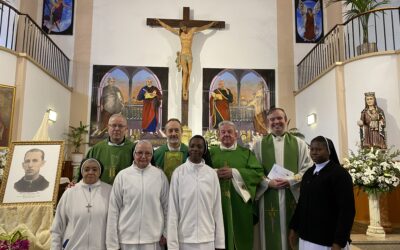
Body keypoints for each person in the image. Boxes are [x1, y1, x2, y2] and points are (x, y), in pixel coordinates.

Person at [252, 107, 313, 250]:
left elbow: (308, 168)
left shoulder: (299, 144)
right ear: (268, 122)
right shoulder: (259, 145)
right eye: (272, 119)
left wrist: (291, 180)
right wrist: (268, 183)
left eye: (279, 118)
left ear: (286, 120)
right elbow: (254, 171)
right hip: (267, 196)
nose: (276, 122)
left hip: (292, 195)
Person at [289, 136, 355, 250]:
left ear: (329, 151)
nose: (314, 152)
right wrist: (294, 228)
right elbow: (301, 203)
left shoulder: (339, 174)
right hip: (306, 238)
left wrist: (339, 242)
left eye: (319, 149)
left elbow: (347, 210)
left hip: (327, 241)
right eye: (312, 149)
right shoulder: (309, 173)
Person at [210, 121, 264, 250]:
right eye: (223, 132)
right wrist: (214, 173)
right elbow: (200, 172)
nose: (226, 135)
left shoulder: (246, 153)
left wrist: (234, 172)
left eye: (230, 132)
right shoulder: (211, 153)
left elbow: (258, 173)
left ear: (236, 135)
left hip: (240, 203)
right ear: (218, 135)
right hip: (216, 203)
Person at [106, 140, 169, 250]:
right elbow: (113, 209)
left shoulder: (159, 176)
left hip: (153, 240)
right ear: (134, 154)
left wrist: (166, 232)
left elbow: (167, 207)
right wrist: (112, 243)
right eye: (140, 153)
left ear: (152, 155)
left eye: (148, 153)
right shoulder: (123, 176)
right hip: (126, 239)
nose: (143, 156)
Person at [168, 135, 225, 250]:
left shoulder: (211, 174)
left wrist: (220, 243)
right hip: (184, 239)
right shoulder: (178, 173)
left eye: (199, 146)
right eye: (192, 146)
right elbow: (173, 211)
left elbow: (217, 209)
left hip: (207, 239)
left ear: (204, 150)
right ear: (188, 148)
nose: (195, 149)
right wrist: (172, 245)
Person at [51, 158, 112, 250]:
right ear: (81, 171)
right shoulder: (70, 192)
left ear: (100, 172)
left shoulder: (109, 191)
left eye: (95, 169)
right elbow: (57, 225)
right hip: (73, 246)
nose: (90, 172)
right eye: (86, 169)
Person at [156, 19, 216, 101]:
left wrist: (211, 24)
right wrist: (160, 22)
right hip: (183, 55)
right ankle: (184, 90)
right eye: (182, 28)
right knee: (185, 72)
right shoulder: (179, 33)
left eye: (184, 27)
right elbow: (168, 27)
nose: (183, 29)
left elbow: (203, 27)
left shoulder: (193, 31)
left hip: (190, 55)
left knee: (190, 73)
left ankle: (187, 89)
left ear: (186, 26)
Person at [86, 114, 135, 184]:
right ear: (108, 127)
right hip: (101, 191)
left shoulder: (134, 149)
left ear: (126, 129)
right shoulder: (96, 149)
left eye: (120, 126)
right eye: (113, 125)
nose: (117, 129)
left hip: (126, 191)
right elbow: (85, 169)